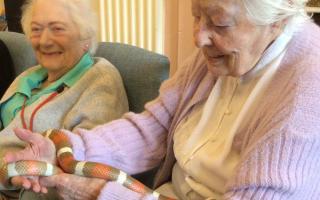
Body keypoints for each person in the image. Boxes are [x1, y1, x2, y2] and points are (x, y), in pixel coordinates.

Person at [4, 0, 320, 199]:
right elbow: (152, 128)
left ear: (277, 20)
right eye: (197, 16)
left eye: (219, 23)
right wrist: (66, 150)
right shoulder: (215, 55)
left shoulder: (308, 88)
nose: (198, 38)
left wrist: (105, 192)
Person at [0, 0, 128, 199]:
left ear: (86, 37)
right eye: (36, 29)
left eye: (57, 28)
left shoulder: (100, 80)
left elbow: (85, 164)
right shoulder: (30, 76)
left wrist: (8, 173)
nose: (44, 41)